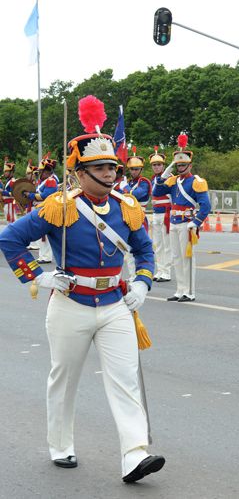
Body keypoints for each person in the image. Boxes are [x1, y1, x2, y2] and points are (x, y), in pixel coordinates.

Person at [0, 95, 164, 482]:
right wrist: (37, 276)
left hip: (115, 304)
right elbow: (9, 239)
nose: (109, 173)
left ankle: (134, 454)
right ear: (78, 172)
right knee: (65, 377)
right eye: (99, 167)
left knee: (125, 380)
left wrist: (142, 282)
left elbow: (144, 252)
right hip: (70, 304)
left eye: (112, 166)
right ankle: (61, 444)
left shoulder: (127, 206)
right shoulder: (59, 206)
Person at [152, 133, 211, 302]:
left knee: (188, 259)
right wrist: (165, 172)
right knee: (177, 258)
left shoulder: (196, 181)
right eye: (178, 165)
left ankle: (189, 292)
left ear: (190, 165)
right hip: (173, 222)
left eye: (183, 164)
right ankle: (180, 290)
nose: (180, 167)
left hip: (187, 223)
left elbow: (206, 205)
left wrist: (196, 222)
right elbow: (156, 192)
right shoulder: (172, 181)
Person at [123, 150, 153, 279]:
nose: (133, 171)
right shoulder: (130, 182)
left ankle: (139, 273)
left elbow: (136, 195)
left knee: (138, 247)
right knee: (128, 249)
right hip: (128, 217)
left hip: (139, 217)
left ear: (141, 169)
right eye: (131, 169)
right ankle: (132, 275)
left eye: (136, 169)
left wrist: (125, 187)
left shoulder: (144, 182)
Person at [25, 154, 59, 264]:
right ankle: (43, 255)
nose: (40, 174)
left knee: (44, 234)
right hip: (41, 207)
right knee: (41, 234)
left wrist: (30, 195)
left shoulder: (51, 181)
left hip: (46, 208)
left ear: (47, 171)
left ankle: (46, 256)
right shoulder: (46, 181)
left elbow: (46, 195)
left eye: (42, 171)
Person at [149, 147, 172, 282]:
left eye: (159, 164)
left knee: (167, 244)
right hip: (156, 214)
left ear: (163, 166)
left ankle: (167, 272)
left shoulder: (168, 177)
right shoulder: (153, 179)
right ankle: (160, 270)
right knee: (158, 244)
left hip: (166, 214)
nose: (156, 167)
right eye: (154, 165)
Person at [1, 158, 19, 223]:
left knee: (13, 223)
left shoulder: (12, 181)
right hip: (7, 204)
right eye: (4, 171)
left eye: (6, 171)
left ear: (11, 172)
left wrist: (2, 191)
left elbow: (13, 194)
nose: (4, 173)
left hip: (10, 204)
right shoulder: (8, 181)